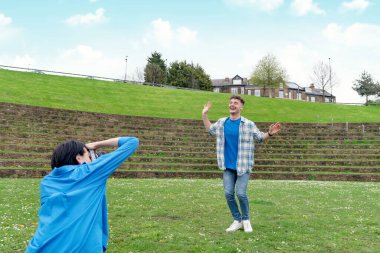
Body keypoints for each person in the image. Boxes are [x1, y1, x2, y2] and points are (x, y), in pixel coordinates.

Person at [26, 136, 139, 252]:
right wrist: (96, 144)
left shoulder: (47, 182)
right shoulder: (90, 172)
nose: (91, 158)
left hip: (40, 247)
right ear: (79, 158)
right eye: (88, 155)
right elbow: (131, 142)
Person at [202, 95, 280, 233]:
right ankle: (237, 220)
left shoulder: (248, 124)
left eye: (236, 103)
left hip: (243, 166)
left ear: (241, 107)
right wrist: (204, 115)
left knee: (241, 193)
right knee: (228, 194)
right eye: (231, 103)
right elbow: (210, 130)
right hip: (227, 166)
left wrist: (269, 133)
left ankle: (246, 220)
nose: (232, 105)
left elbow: (260, 137)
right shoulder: (222, 122)